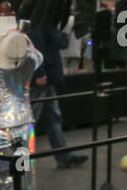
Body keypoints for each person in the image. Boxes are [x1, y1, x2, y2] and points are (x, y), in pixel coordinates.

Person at [27, 21, 87, 168]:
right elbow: (36, 48)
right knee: (30, 120)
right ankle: (21, 160)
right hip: (43, 78)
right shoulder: (40, 21)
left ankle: (63, 156)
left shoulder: (42, 20)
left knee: (52, 118)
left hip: (45, 77)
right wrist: (39, 73)